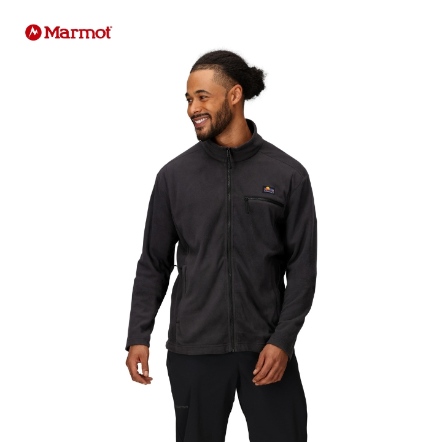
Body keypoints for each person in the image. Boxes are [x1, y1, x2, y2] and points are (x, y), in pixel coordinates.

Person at [125, 50, 317, 442]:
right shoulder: (174, 176)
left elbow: (302, 268)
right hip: (194, 351)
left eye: (202, 97)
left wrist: (282, 341)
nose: (192, 109)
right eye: (188, 99)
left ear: (234, 95)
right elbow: (154, 263)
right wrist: (138, 335)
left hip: (265, 349)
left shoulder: (287, 174)